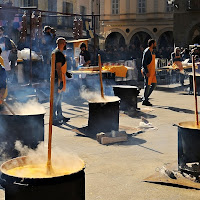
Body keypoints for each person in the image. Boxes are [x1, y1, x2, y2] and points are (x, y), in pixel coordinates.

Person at [52, 37, 72, 125]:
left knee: (59, 99)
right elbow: (58, 68)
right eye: (64, 43)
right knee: (56, 99)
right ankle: (53, 119)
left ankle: (60, 116)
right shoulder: (58, 54)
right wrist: (60, 81)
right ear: (61, 44)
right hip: (57, 79)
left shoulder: (57, 52)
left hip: (58, 78)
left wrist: (66, 73)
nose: (65, 45)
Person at [141, 39, 157, 106]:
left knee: (154, 85)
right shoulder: (147, 51)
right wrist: (146, 72)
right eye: (155, 43)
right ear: (152, 44)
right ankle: (145, 100)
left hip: (152, 72)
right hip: (148, 72)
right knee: (147, 86)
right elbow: (144, 62)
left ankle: (145, 97)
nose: (156, 44)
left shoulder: (152, 51)